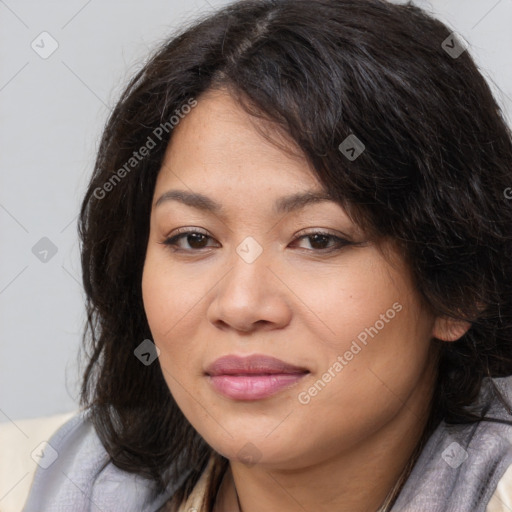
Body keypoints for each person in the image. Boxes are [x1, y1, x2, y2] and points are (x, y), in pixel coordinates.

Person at [22, 0, 512, 511]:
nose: (239, 305)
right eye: (193, 239)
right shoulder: (42, 480)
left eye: (317, 239)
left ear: (460, 285)